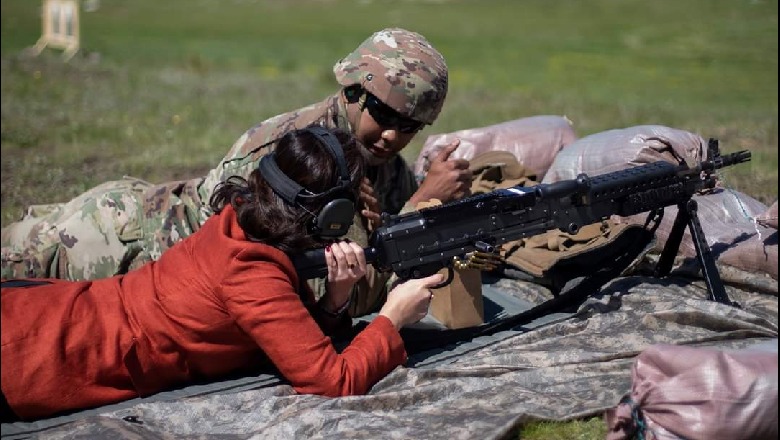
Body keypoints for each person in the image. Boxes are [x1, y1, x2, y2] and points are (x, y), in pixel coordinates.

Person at [0, 27, 470, 316]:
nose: (392, 136)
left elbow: (373, 249)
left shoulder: (378, 161)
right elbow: (303, 287)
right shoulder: (295, 151)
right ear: (352, 93)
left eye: (410, 126)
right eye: (385, 117)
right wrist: (418, 205)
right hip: (118, 243)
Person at [0, 126, 445, 423]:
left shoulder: (238, 220)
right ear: (333, 212)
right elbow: (334, 380)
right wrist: (392, 317)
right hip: (44, 355)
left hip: (53, 312)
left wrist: (335, 299)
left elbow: (282, 334)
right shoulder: (252, 274)